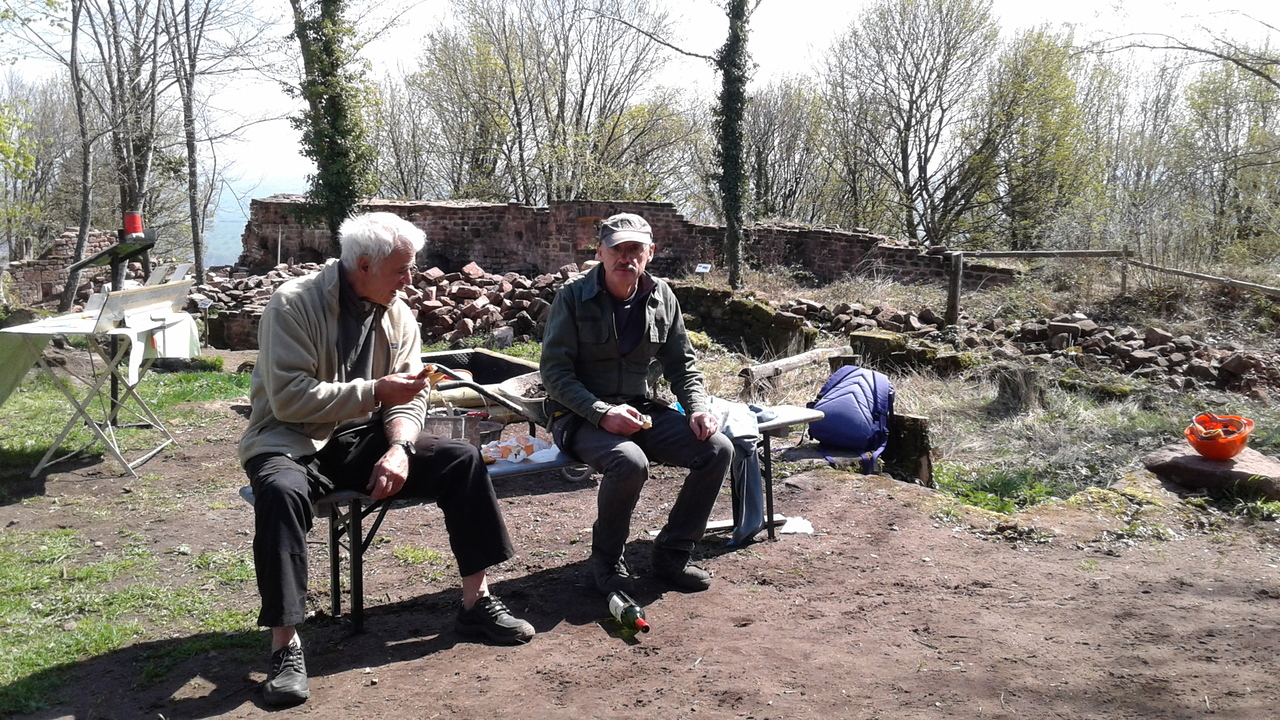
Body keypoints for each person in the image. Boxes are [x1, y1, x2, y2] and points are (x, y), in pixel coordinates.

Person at [239, 212, 534, 708]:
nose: (410, 279)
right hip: (289, 439)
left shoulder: (398, 313)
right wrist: (375, 390)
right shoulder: (293, 304)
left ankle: (475, 602)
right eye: (401, 269)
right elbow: (289, 399)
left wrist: (399, 448)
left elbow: (411, 397)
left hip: (365, 438)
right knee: (280, 492)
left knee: (461, 460)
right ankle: (285, 646)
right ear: (363, 265)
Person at [539, 212, 733, 596]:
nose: (625, 258)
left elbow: (683, 366)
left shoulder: (663, 297)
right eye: (617, 249)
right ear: (600, 252)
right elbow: (555, 374)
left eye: (635, 250)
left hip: (639, 409)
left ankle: (673, 553)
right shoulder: (573, 297)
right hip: (577, 416)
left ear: (650, 253)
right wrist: (601, 413)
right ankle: (607, 563)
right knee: (629, 462)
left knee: (716, 449)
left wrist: (697, 408)